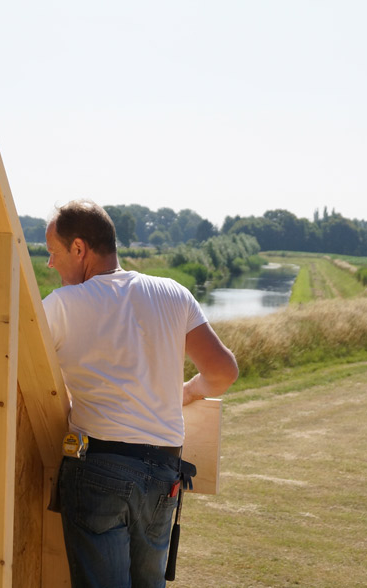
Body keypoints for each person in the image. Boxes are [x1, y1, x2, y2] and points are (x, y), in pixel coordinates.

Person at [42, 199, 238, 588]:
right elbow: (223, 371)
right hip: (164, 474)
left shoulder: (61, 306)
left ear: (79, 249)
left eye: (52, 253)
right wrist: (187, 390)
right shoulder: (173, 293)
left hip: (99, 467)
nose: (49, 264)